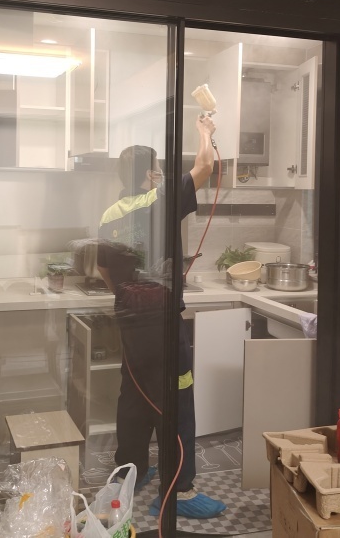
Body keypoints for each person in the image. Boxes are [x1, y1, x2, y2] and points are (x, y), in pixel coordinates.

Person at [96, 113, 227, 519]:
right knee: (177, 398)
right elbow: (204, 166)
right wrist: (205, 131)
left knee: (134, 394)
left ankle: (129, 471)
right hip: (162, 323)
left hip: (130, 320)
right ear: (148, 173)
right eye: (155, 167)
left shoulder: (110, 213)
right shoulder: (161, 198)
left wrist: (129, 296)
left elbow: (103, 269)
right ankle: (179, 491)